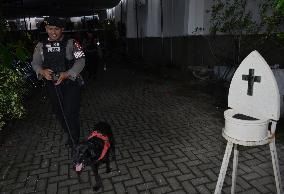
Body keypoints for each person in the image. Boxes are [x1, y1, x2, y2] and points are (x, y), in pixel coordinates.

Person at [31, 17, 85, 146]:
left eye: (56, 29)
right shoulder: (40, 46)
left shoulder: (72, 43)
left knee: (70, 111)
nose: (53, 32)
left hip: (71, 83)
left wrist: (68, 74)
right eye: (50, 29)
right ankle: (70, 132)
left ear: (62, 30)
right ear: (46, 29)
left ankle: (74, 140)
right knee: (59, 112)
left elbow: (81, 61)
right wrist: (42, 71)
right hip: (53, 85)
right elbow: (35, 63)